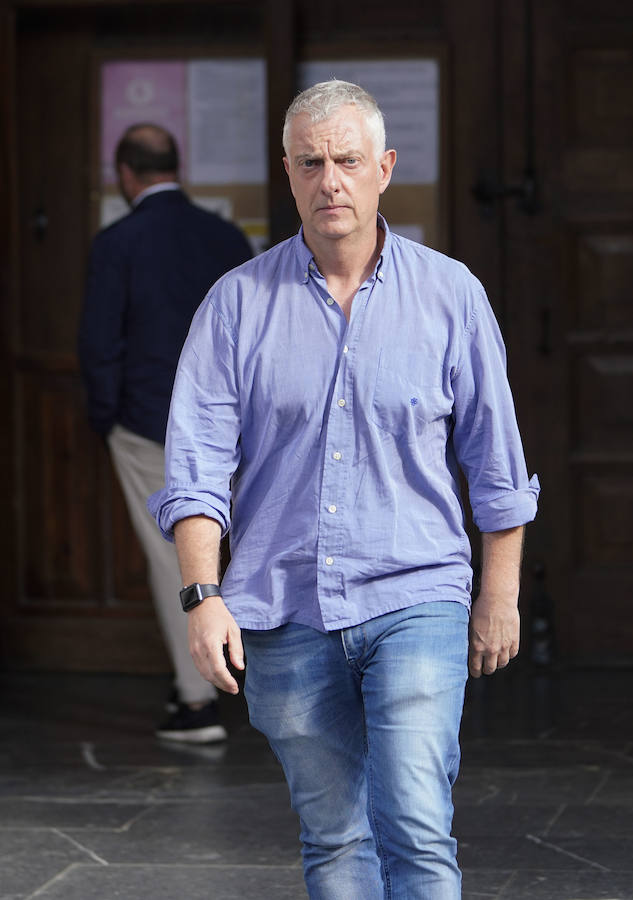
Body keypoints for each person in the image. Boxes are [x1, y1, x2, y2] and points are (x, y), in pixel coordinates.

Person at [149, 81, 540, 897]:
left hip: (416, 592)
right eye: (312, 162)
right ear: (287, 174)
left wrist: (499, 595)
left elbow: (496, 462)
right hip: (285, 606)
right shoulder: (235, 307)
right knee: (333, 841)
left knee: (418, 828)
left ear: (384, 169)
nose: (331, 180)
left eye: (348, 161)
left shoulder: (451, 295)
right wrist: (201, 596)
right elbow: (196, 466)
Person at [78, 123, 252, 744]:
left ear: (126, 174)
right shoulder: (227, 237)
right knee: (242, 553)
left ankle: (197, 702)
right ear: (178, 165)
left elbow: (101, 345)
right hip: (235, 428)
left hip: (149, 423)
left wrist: (106, 420)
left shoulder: (117, 241)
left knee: (173, 562)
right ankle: (255, 684)